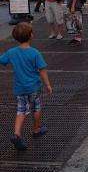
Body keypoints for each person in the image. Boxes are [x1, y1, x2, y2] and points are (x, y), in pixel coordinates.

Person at [0, 22, 52, 150]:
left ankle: (16, 134)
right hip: (33, 88)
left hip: (19, 89)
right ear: (31, 36)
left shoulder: (12, 52)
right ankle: (36, 130)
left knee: (21, 111)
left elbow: (2, 60)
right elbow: (42, 70)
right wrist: (48, 85)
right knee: (36, 108)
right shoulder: (34, 53)